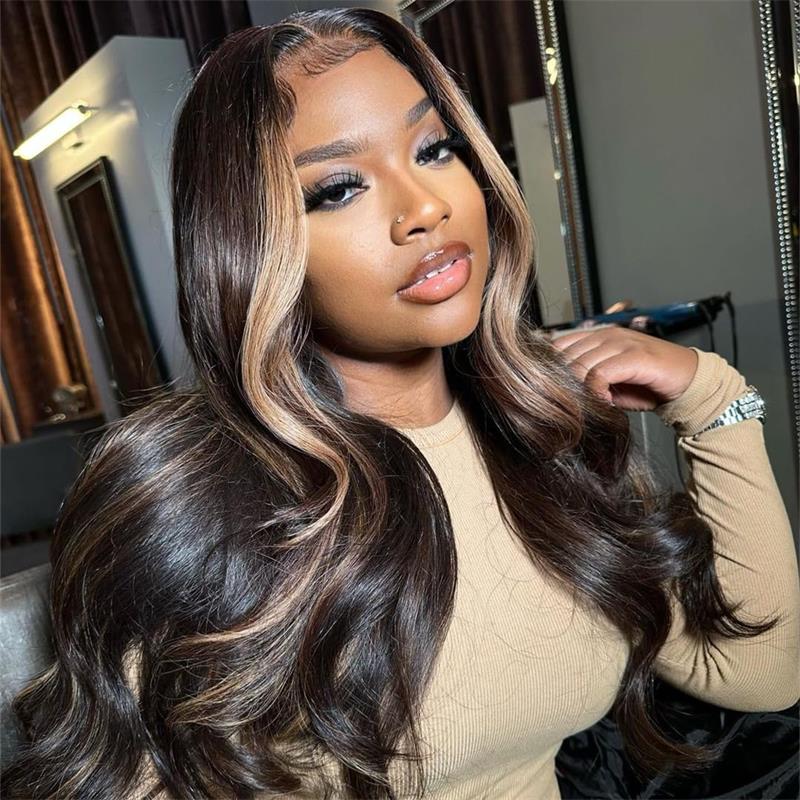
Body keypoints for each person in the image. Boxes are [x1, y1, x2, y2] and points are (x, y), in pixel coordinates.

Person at [3, 8, 798, 800]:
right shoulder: (195, 511)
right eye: (338, 188)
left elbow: (760, 671)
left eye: (434, 148)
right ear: (251, 243)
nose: (424, 207)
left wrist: (713, 399)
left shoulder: (546, 440)